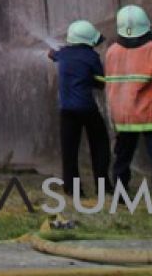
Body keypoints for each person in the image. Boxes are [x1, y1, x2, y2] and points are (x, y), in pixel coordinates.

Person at [104, 4, 152, 195]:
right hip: (148, 116)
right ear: (146, 26)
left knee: (122, 156)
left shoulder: (112, 51)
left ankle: (121, 192)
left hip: (123, 117)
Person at [48, 20, 110, 197]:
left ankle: (72, 190)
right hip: (87, 109)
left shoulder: (63, 54)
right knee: (100, 145)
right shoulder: (91, 57)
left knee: (69, 152)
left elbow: (53, 55)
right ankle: (104, 186)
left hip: (66, 110)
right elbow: (100, 83)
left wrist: (53, 54)